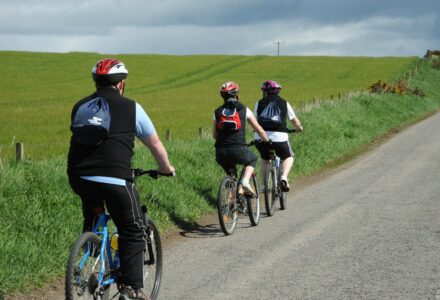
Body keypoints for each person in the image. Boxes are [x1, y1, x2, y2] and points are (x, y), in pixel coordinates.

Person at [67, 58, 175, 300]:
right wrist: (166, 168)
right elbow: (154, 143)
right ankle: (132, 288)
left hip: (79, 176)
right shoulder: (132, 107)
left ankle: (90, 250)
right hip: (115, 179)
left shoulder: (80, 106)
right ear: (121, 84)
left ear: (97, 82)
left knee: (94, 209)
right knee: (134, 228)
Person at [213, 81, 269, 195]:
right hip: (238, 149)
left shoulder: (217, 112)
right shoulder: (244, 109)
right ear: (236, 94)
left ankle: (229, 203)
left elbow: (215, 135)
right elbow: (258, 129)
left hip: (220, 152)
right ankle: (245, 181)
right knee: (252, 159)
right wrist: (267, 140)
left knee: (231, 175)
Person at [254, 80, 303, 192]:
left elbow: (254, 122)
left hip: (261, 137)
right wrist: (299, 128)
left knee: (264, 158)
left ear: (264, 92)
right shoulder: (284, 103)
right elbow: (295, 121)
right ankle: (284, 177)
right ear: (278, 91)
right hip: (280, 137)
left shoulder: (259, 103)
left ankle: (264, 185)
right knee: (288, 156)